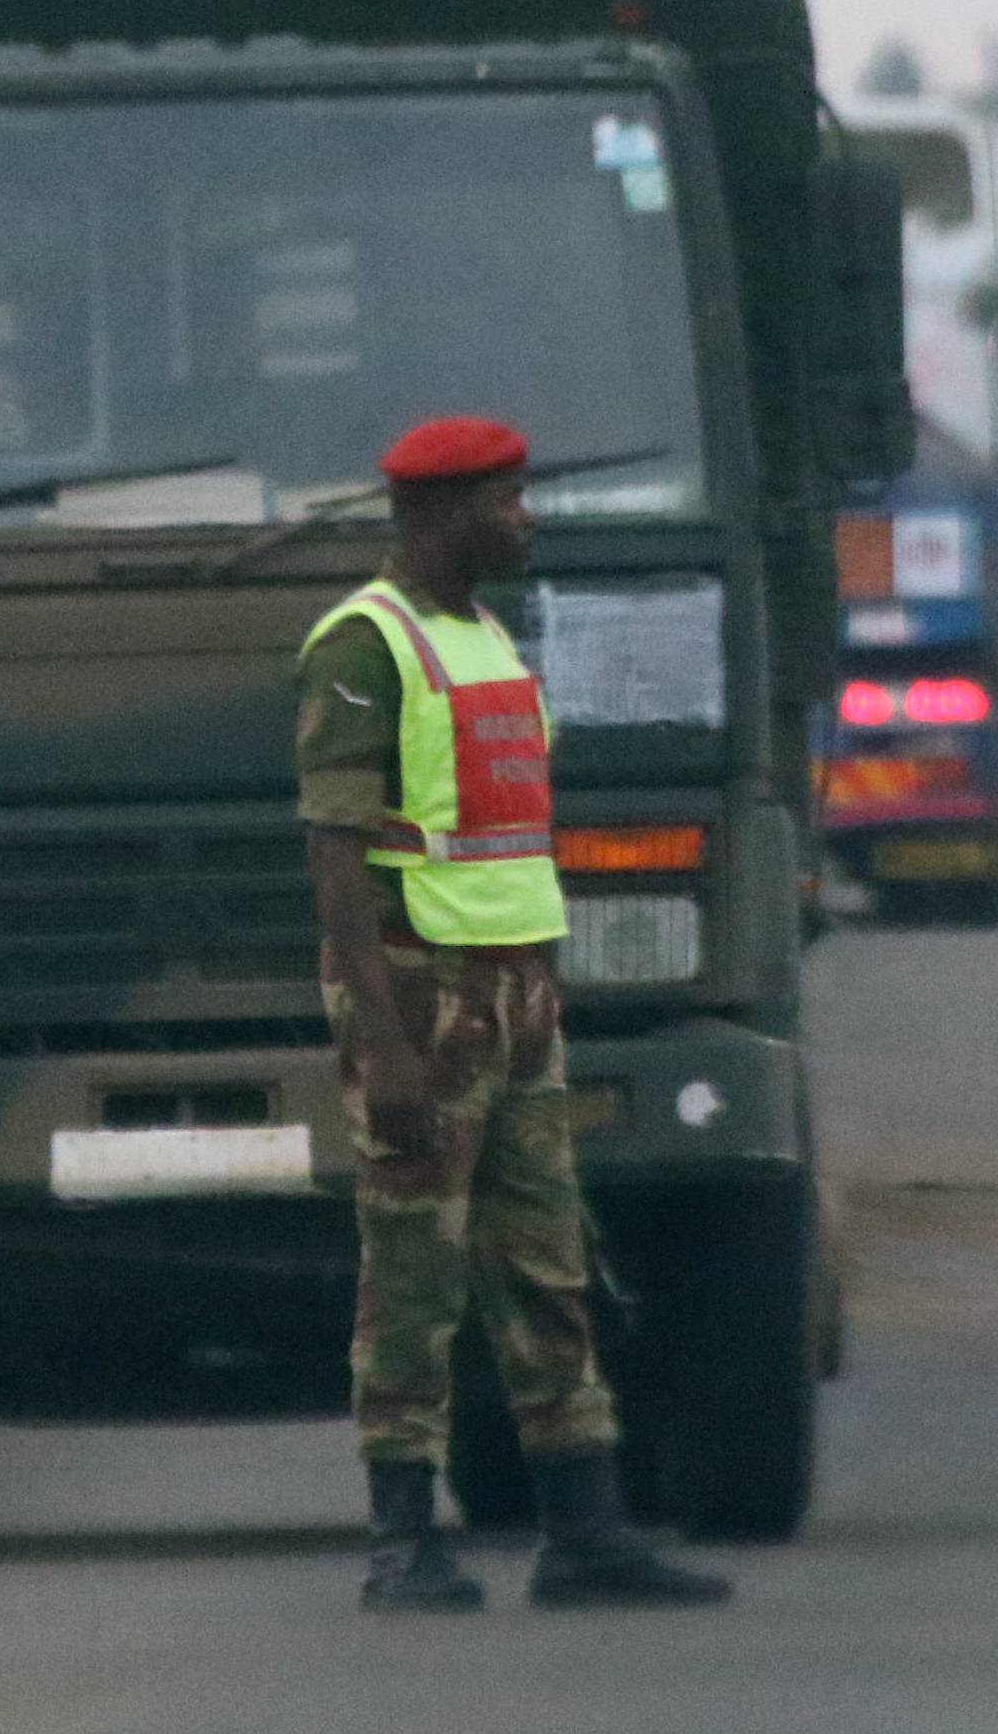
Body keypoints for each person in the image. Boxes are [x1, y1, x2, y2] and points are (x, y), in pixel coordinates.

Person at [297, 415, 729, 1611]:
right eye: (505, 500)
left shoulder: (481, 637)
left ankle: (584, 1534)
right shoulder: (364, 646)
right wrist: (379, 1042)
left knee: (547, 1263)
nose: (525, 519)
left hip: (518, 992)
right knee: (416, 1274)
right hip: (422, 993)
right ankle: (402, 1542)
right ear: (438, 516)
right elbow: (335, 854)